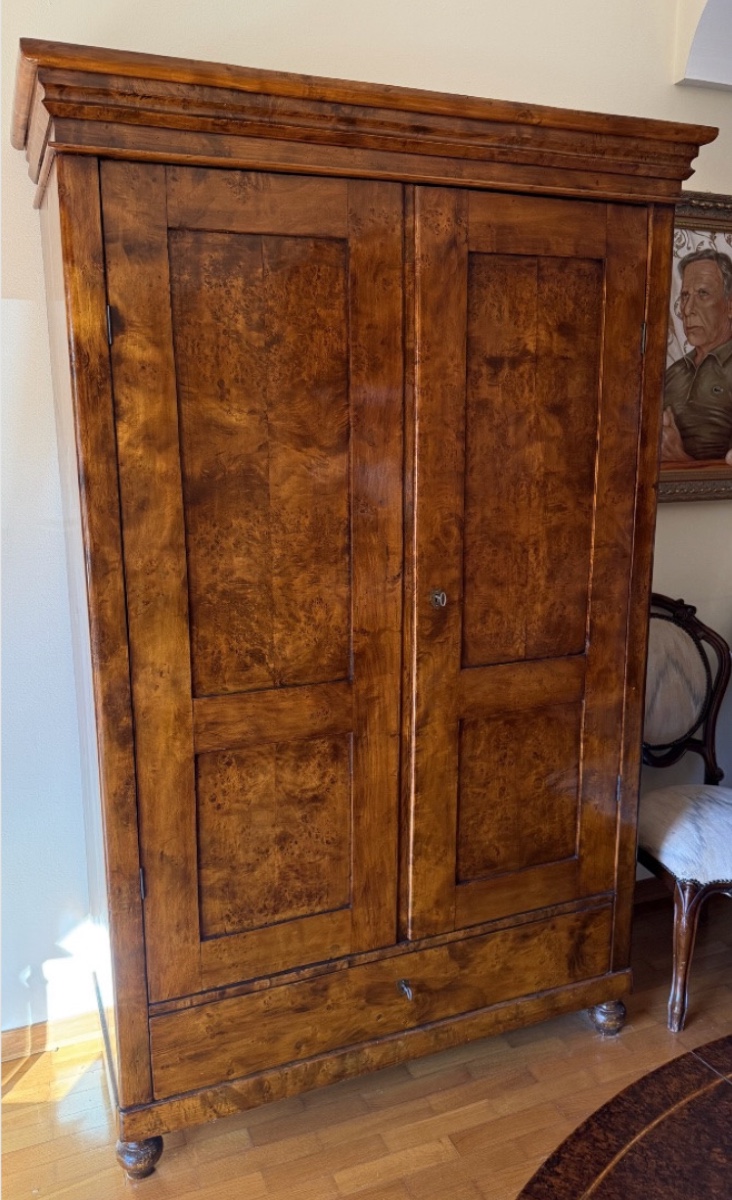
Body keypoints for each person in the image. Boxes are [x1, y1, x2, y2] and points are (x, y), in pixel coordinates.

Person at [662, 247, 732, 465]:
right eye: (685, 296)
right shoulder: (673, 374)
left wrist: (681, 460)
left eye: (703, 294)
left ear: (730, 305)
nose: (687, 310)